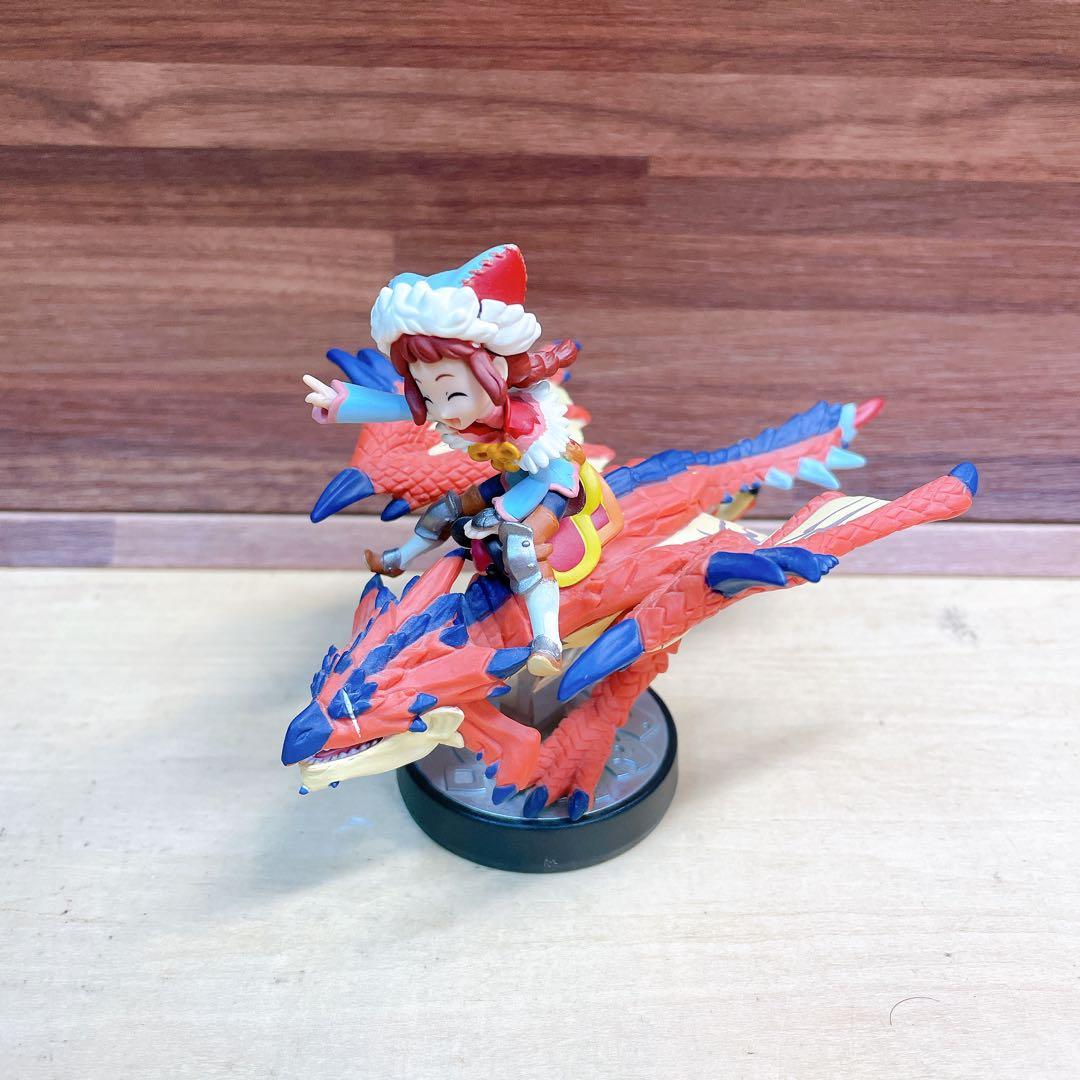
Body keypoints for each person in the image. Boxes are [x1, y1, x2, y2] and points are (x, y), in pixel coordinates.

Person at [303, 244, 590, 677]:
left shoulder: (527, 422)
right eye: (428, 391)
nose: (443, 410)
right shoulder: (456, 405)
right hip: (513, 478)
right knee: (446, 510)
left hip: (552, 481)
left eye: (452, 392)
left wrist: (502, 513)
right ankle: (398, 558)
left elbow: (542, 475)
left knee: (522, 546)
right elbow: (401, 408)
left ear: (495, 369)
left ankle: (547, 640)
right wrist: (340, 403)